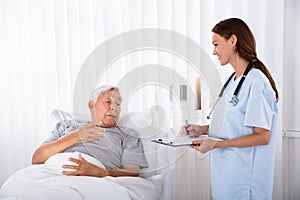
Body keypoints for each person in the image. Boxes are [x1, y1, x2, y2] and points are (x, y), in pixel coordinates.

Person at [184, 18, 279, 200]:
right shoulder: (232, 81)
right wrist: (201, 129)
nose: (214, 51)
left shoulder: (256, 81)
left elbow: (263, 136)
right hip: (225, 177)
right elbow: (231, 125)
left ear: (233, 41)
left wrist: (216, 144)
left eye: (216, 44)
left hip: (244, 182)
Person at [32, 85, 148, 177]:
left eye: (117, 104)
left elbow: (132, 171)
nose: (114, 107)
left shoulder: (127, 135)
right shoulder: (66, 125)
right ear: (92, 105)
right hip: (53, 168)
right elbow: (37, 158)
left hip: (94, 175)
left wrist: (103, 172)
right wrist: (76, 137)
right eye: (108, 102)